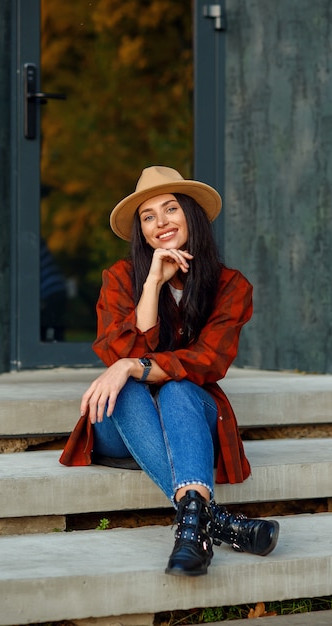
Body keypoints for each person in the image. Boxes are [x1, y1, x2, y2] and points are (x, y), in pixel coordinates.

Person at [60, 166, 279, 577]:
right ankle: (217, 521)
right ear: (141, 232)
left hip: (189, 416)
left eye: (170, 209)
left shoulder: (230, 286)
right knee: (124, 388)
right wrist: (152, 286)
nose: (160, 223)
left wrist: (133, 365)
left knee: (178, 387)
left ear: (191, 215)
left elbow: (207, 361)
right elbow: (118, 353)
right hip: (122, 424)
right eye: (148, 216)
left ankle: (195, 529)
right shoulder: (120, 279)